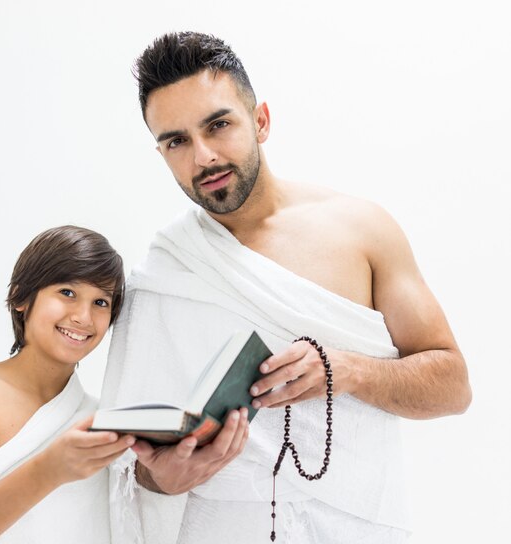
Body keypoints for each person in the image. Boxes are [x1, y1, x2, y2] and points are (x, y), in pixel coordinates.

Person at [101, 31, 472, 544]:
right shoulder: (166, 273)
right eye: (176, 140)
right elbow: (127, 464)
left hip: (355, 527)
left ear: (261, 121)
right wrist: (160, 478)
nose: (203, 156)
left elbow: (453, 386)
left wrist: (349, 371)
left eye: (219, 125)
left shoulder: (361, 230)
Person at [0, 225, 132, 544]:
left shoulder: (102, 419)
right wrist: (51, 469)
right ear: (20, 296)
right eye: (67, 293)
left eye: (101, 302)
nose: (84, 317)